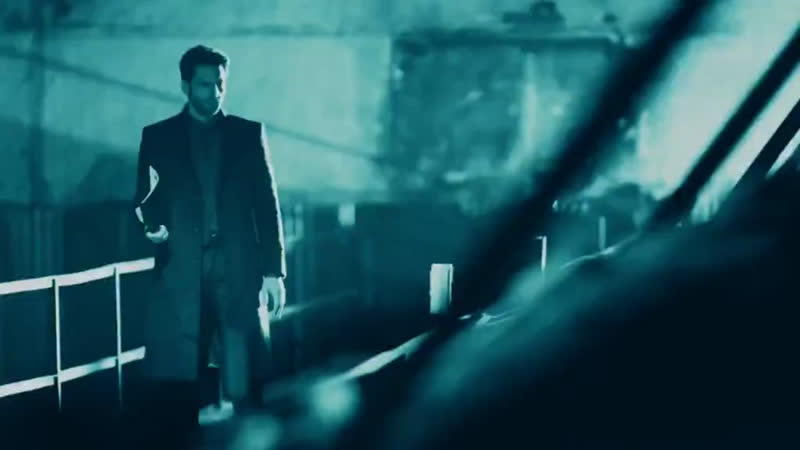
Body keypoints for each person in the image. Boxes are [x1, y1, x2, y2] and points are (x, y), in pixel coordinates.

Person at [128, 44, 287, 447]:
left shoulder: (247, 135)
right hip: (181, 271)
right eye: (204, 84)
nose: (214, 92)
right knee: (180, 383)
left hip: (237, 271)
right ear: (185, 86)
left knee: (246, 377)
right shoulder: (158, 137)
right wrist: (151, 228)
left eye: (220, 83)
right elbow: (144, 200)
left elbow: (267, 205)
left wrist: (274, 272)